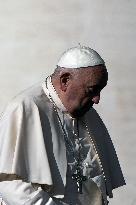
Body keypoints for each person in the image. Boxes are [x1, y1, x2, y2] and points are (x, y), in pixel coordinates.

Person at [0, 45, 125, 205]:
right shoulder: (26, 108)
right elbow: (11, 185)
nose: (97, 99)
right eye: (92, 90)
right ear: (65, 80)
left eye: (100, 90)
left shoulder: (87, 112)